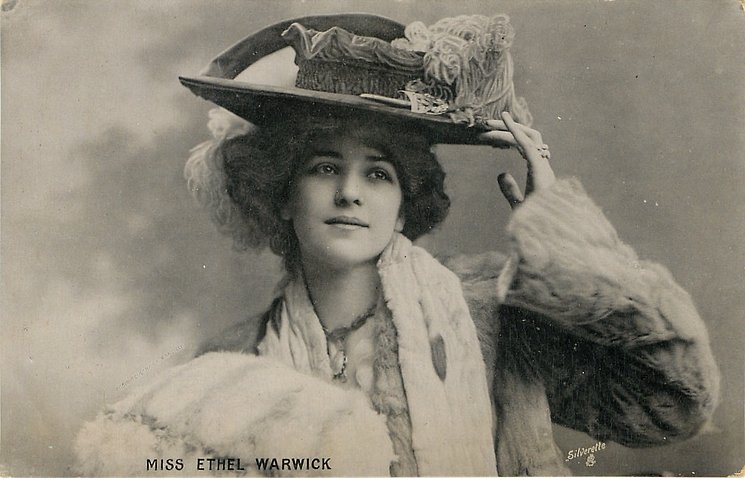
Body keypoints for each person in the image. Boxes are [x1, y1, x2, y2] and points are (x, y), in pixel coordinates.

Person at [74, 13, 719, 476]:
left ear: (406, 202)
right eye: (324, 167)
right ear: (284, 193)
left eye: (378, 174)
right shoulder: (231, 362)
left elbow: (673, 405)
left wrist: (567, 250)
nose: (349, 193)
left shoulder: (492, 321)